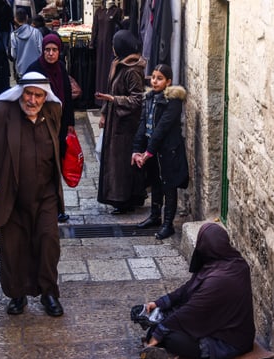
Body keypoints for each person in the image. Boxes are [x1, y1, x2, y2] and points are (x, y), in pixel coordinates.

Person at [0, 72, 65, 317]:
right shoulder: (0, 113)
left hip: (46, 195)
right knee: (14, 247)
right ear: (21, 93)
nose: (32, 100)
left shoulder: (53, 112)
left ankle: (49, 293)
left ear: (45, 97)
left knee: (48, 242)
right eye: (28, 94)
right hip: (11, 194)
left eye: (38, 95)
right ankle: (17, 293)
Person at [140, 223, 255, 359]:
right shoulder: (225, 263)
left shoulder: (219, 278)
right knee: (159, 318)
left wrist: (159, 333)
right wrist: (160, 303)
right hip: (212, 323)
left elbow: (193, 310)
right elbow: (188, 288)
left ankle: (172, 353)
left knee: (170, 337)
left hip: (228, 340)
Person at [132, 64, 189, 239]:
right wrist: (136, 149)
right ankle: (155, 216)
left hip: (168, 150)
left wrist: (148, 151)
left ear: (168, 82)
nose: (155, 81)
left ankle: (168, 223)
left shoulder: (173, 102)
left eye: (160, 78)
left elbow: (162, 128)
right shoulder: (149, 98)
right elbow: (143, 124)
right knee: (155, 182)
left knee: (168, 185)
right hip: (153, 149)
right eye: (154, 77)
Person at [95, 30, 146, 214]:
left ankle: (124, 200)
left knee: (122, 164)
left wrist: (114, 100)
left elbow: (137, 99)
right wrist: (104, 113)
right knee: (114, 163)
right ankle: (116, 198)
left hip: (125, 126)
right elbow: (111, 91)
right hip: (114, 122)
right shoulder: (118, 64)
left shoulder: (132, 70)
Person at [26, 33, 74, 223]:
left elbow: (67, 97)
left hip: (60, 126)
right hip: (41, 126)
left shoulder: (61, 68)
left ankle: (57, 208)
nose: (51, 54)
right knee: (43, 168)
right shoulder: (35, 69)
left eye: (54, 50)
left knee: (56, 166)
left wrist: (70, 124)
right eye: (47, 50)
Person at [91, 0, 122, 102]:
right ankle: (99, 97)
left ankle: (110, 96)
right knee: (100, 70)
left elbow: (120, 28)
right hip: (100, 46)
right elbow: (95, 28)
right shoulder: (99, 11)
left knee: (109, 69)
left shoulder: (117, 11)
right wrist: (92, 42)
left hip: (111, 45)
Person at [11, 8, 43, 80]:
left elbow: (13, 54)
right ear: (27, 17)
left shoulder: (14, 35)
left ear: (15, 19)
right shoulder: (36, 32)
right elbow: (41, 50)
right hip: (36, 69)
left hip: (22, 70)